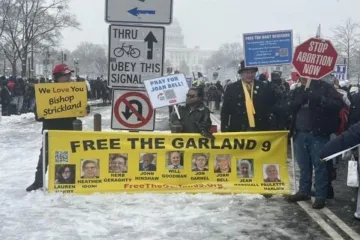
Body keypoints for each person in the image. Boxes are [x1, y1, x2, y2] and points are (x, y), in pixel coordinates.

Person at [26, 64, 90, 192]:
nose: (68, 78)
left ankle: (68, 180)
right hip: (51, 131)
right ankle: (38, 182)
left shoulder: (75, 90)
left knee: (71, 156)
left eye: (68, 75)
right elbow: (39, 116)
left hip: (69, 130)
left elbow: (80, 110)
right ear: (57, 77)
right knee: (45, 157)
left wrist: (85, 109)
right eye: (65, 75)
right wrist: (39, 112)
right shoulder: (46, 92)